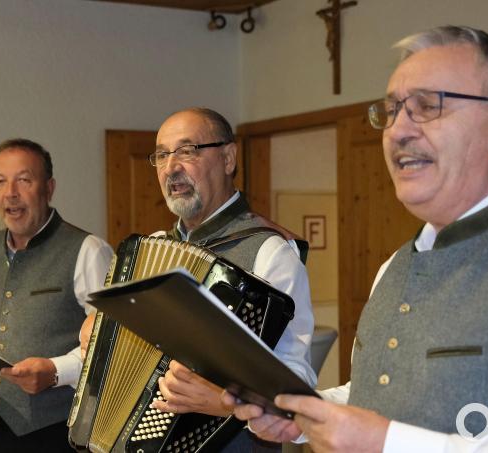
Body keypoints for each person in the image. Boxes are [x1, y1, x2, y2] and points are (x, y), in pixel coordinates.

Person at [226, 25, 488, 452]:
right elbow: (376, 396)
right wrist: (303, 414)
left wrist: (386, 443)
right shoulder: (395, 267)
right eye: (391, 110)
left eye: (428, 106)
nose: (398, 130)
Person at [79, 107, 317, 451]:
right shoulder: (149, 252)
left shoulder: (270, 251)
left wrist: (225, 399)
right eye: (162, 155)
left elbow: (298, 381)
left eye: (188, 151)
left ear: (228, 158)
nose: (171, 167)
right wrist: (98, 332)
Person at [0, 138, 113, 452]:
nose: (10, 193)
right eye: (0, 182)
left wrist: (57, 372)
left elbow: (111, 341)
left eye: (24, 180)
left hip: (58, 431)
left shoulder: (89, 251)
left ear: (49, 188)